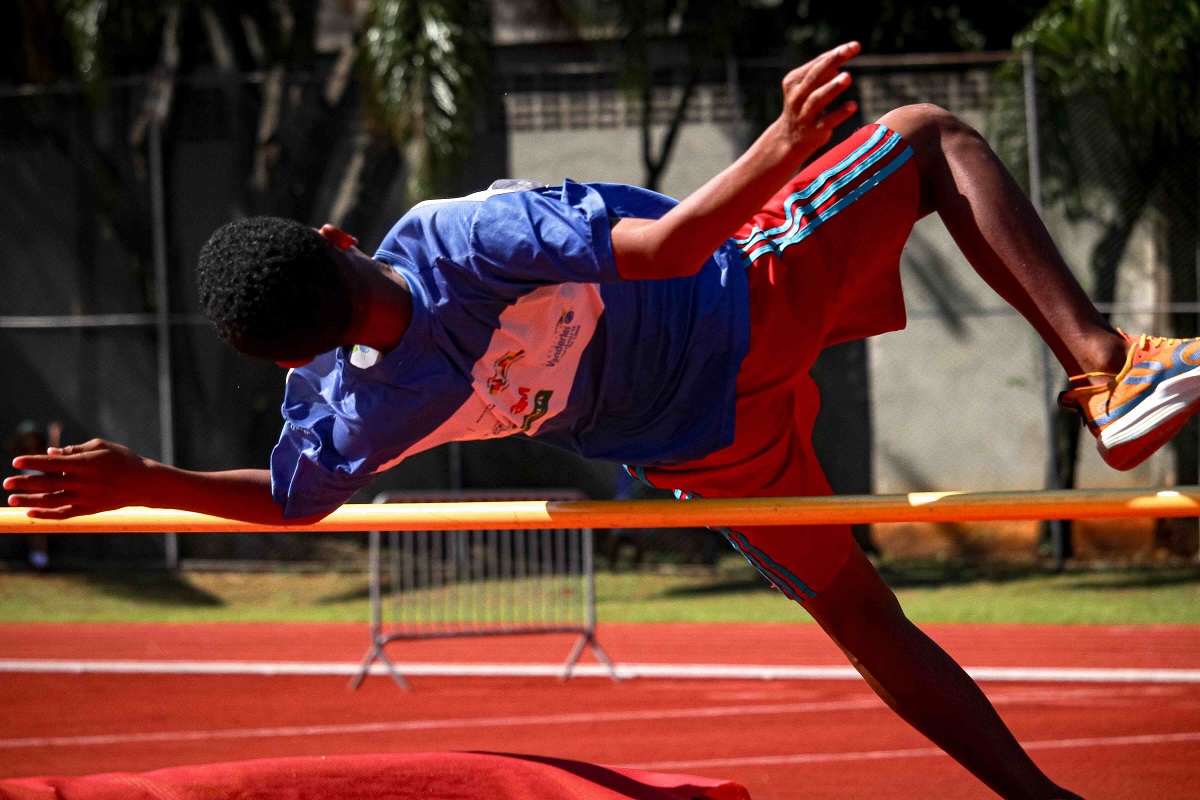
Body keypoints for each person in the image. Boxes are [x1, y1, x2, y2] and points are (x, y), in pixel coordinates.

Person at [6, 42, 1197, 798]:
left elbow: (284, 499)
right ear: (335, 237)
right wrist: (780, 147)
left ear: (299, 351)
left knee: (857, 608)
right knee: (929, 138)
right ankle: (1106, 371)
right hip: (738, 312)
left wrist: (136, 476)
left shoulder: (362, 405)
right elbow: (675, 244)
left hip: (704, 443)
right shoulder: (451, 238)